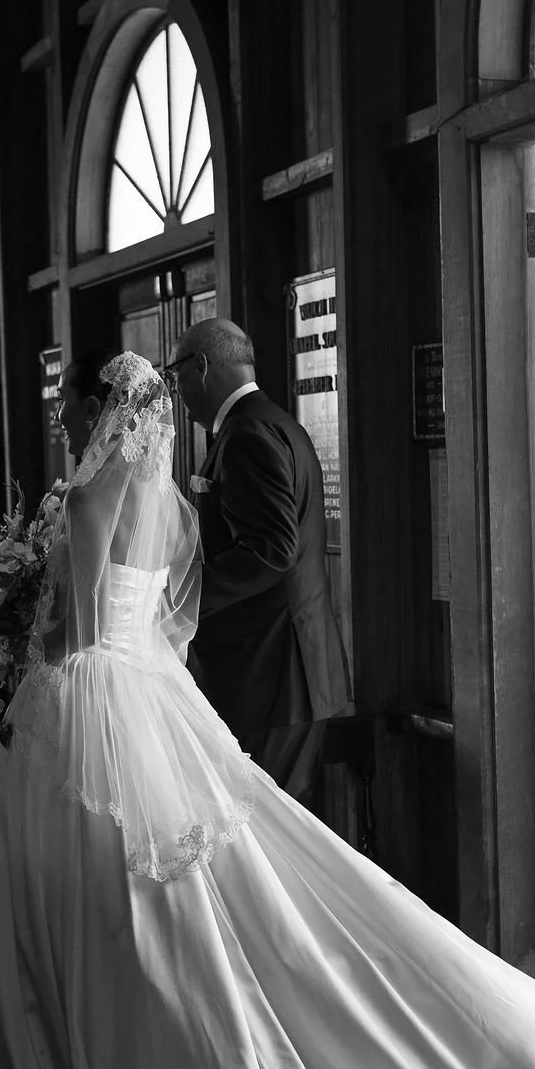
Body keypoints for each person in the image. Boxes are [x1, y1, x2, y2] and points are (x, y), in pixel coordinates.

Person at [0, 350, 535, 1069]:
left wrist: (21, 644)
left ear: (105, 416)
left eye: (74, 408)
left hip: (96, 702)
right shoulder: (166, 504)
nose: (67, 422)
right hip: (150, 698)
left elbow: (87, 637)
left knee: (131, 897)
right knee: (214, 884)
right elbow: (166, 628)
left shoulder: (94, 499)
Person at [165, 318, 349, 804]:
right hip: (283, 674)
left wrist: (177, 599)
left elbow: (271, 551)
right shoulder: (272, 421)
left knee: (267, 839)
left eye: (175, 375)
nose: (176, 391)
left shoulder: (248, 434)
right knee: (273, 840)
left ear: (199, 367)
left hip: (274, 675)